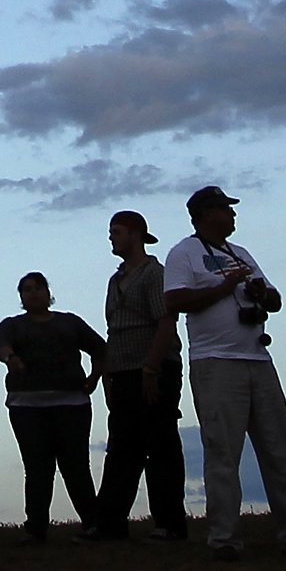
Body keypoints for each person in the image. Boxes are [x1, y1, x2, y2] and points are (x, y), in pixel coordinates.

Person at [164, 186, 286, 561]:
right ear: (206, 213)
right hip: (214, 362)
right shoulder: (183, 253)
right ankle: (224, 539)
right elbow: (174, 301)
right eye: (225, 209)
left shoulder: (243, 254)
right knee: (222, 452)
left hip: (258, 360)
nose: (233, 215)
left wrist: (259, 292)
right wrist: (225, 286)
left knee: (281, 448)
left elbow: (275, 299)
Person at [85, 211, 186, 540]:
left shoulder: (155, 274)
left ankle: (169, 523)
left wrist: (152, 368)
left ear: (135, 234)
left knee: (160, 445)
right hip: (124, 373)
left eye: (116, 231)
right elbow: (112, 331)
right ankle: (110, 524)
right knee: (121, 448)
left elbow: (166, 322)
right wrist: (109, 376)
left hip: (154, 370)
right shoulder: (115, 281)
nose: (111, 237)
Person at [0, 270, 102, 542]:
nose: (33, 293)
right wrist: (11, 358)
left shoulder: (70, 322)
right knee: (37, 466)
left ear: (47, 292)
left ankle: (92, 522)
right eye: (27, 289)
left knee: (75, 465)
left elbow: (100, 348)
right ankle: (37, 527)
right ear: (21, 296)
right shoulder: (12, 325)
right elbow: (1, 345)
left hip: (71, 403)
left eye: (38, 288)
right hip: (27, 405)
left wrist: (94, 377)